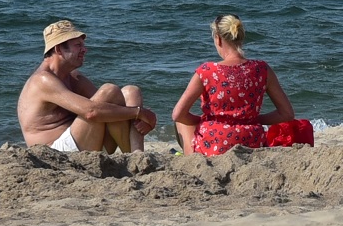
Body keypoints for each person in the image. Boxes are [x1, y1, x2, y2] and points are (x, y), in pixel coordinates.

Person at [171, 14, 312, 156]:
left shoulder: (206, 71)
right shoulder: (262, 69)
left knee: (182, 122)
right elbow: (286, 113)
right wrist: (252, 120)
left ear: (218, 39)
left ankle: (189, 156)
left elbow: (178, 114)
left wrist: (202, 121)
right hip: (251, 141)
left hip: (216, 143)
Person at [19, 20, 157, 153]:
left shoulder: (73, 77)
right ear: (58, 49)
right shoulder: (42, 80)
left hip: (86, 141)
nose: (84, 49)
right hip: (56, 151)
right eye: (78, 45)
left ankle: (137, 155)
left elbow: (108, 107)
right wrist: (140, 113)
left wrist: (142, 119)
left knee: (131, 91)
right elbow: (91, 112)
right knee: (110, 90)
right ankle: (133, 156)